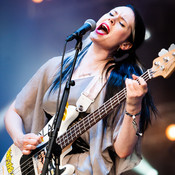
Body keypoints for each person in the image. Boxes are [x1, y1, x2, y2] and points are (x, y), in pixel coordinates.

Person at [4, 4, 156, 175]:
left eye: (121, 23)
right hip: (33, 165)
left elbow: (122, 150)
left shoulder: (121, 84)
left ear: (126, 45)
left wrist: (134, 105)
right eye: (111, 14)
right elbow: (14, 110)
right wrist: (19, 138)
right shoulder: (56, 66)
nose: (112, 19)